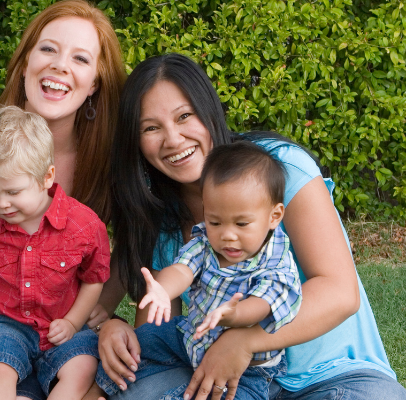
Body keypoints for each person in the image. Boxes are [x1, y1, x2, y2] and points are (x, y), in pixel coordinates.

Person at [95, 53, 405, 400]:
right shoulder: (161, 215)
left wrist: (245, 340)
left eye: (185, 116)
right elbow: (160, 328)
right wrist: (115, 327)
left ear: (209, 110)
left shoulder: (279, 168)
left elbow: (339, 292)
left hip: (331, 376)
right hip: (224, 381)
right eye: (151, 128)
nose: (172, 139)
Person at [0, 0, 124, 356]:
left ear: (95, 83)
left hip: (63, 341)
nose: (59, 65)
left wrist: (103, 304)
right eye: (48, 49)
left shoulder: (109, 164)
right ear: (25, 62)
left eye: (80, 58)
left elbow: (138, 240)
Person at [97, 141, 302, 400]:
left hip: (245, 370)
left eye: (241, 223)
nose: (227, 235)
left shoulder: (277, 263)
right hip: (190, 337)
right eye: (215, 221)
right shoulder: (206, 240)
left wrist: (234, 314)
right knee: (145, 338)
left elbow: (263, 305)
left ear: (274, 216)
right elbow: (183, 270)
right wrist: (163, 289)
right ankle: (105, 386)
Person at [0, 106, 110, 400]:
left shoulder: (83, 226)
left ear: (47, 177)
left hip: (61, 323)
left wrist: (73, 321)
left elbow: (94, 278)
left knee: (83, 366)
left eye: (13, 192)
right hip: (4, 323)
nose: (2, 203)